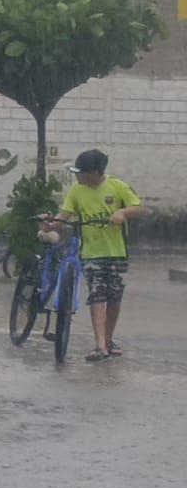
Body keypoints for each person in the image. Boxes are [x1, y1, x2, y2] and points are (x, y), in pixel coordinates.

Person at [46, 149, 146, 362]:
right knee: (97, 294)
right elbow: (63, 216)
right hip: (91, 252)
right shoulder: (76, 190)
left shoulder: (117, 186)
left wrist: (123, 212)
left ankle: (108, 340)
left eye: (81, 172)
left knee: (114, 296)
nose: (77, 176)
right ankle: (100, 345)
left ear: (95, 173)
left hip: (117, 252)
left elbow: (138, 207)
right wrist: (50, 225)